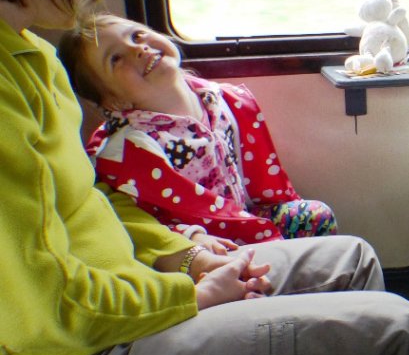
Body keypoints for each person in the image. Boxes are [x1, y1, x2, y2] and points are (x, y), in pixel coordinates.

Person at [0, 0, 409, 355]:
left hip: (120, 291)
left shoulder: (32, 56)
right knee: (396, 332)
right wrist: (190, 295)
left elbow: (92, 203)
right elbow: (52, 299)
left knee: (351, 258)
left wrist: (187, 257)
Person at [58, 14, 336, 253]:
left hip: (242, 218)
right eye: (116, 58)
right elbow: (141, 225)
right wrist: (192, 239)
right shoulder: (132, 151)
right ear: (114, 102)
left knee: (316, 216)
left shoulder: (219, 99)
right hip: (202, 241)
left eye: (137, 35)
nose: (138, 49)